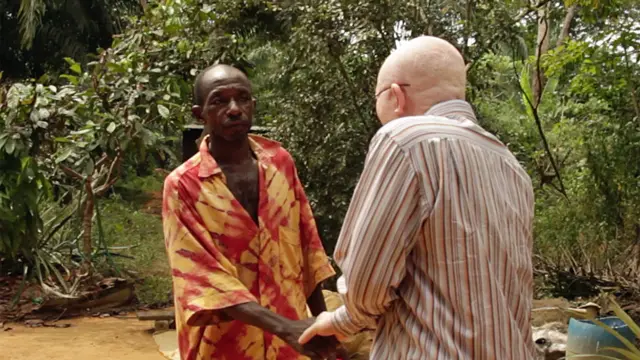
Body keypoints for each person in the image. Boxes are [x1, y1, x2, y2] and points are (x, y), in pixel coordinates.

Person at [299, 36, 536, 359]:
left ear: (396, 95)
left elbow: (368, 283)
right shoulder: (510, 163)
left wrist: (341, 318)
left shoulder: (405, 139)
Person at [162, 64, 339, 360]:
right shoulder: (183, 187)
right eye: (219, 101)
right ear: (199, 113)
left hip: (291, 348)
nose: (234, 109)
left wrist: (323, 328)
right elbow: (205, 280)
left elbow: (308, 251)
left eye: (242, 98)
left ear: (253, 105)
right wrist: (286, 328)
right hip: (223, 348)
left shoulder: (281, 163)